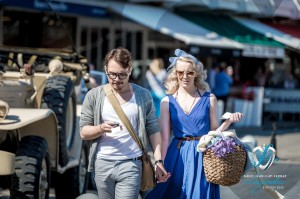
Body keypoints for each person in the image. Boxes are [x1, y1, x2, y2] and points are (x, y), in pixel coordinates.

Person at [146, 49, 243, 199]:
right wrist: (160, 164)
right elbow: (165, 139)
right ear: (175, 74)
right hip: (176, 156)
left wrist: (228, 121)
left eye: (189, 72)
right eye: (180, 72)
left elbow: (214, 134)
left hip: (202, 155)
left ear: (196, 73)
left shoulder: (210, 99)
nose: (185, 77)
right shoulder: (167, 102)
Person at [79, 47, 170, 199]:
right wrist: (101, 128)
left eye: (122, 74)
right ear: (106, 69)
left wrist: (158, 161)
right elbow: (83, 132)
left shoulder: (142, 95)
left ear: (130, 70)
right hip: (102, 163)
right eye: (112, 74)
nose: (116, 79)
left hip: (131, 163)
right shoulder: (94, 96)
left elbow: (153, 130)